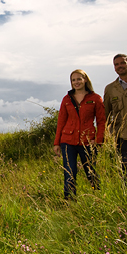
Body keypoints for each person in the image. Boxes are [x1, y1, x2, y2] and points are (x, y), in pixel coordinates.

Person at [54, 69, 106, 199]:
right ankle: (69, 201)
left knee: (91, 172)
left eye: (79, 79)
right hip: (68, 141)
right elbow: (61, 122)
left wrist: (98, 140)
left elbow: (101, 121)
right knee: (69, 173)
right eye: (73, 80)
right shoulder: (66, 99)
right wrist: (57, 143)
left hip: (88, 141)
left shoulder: (95, 98)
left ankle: (98, 196)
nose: (76, 82)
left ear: (85, 80)